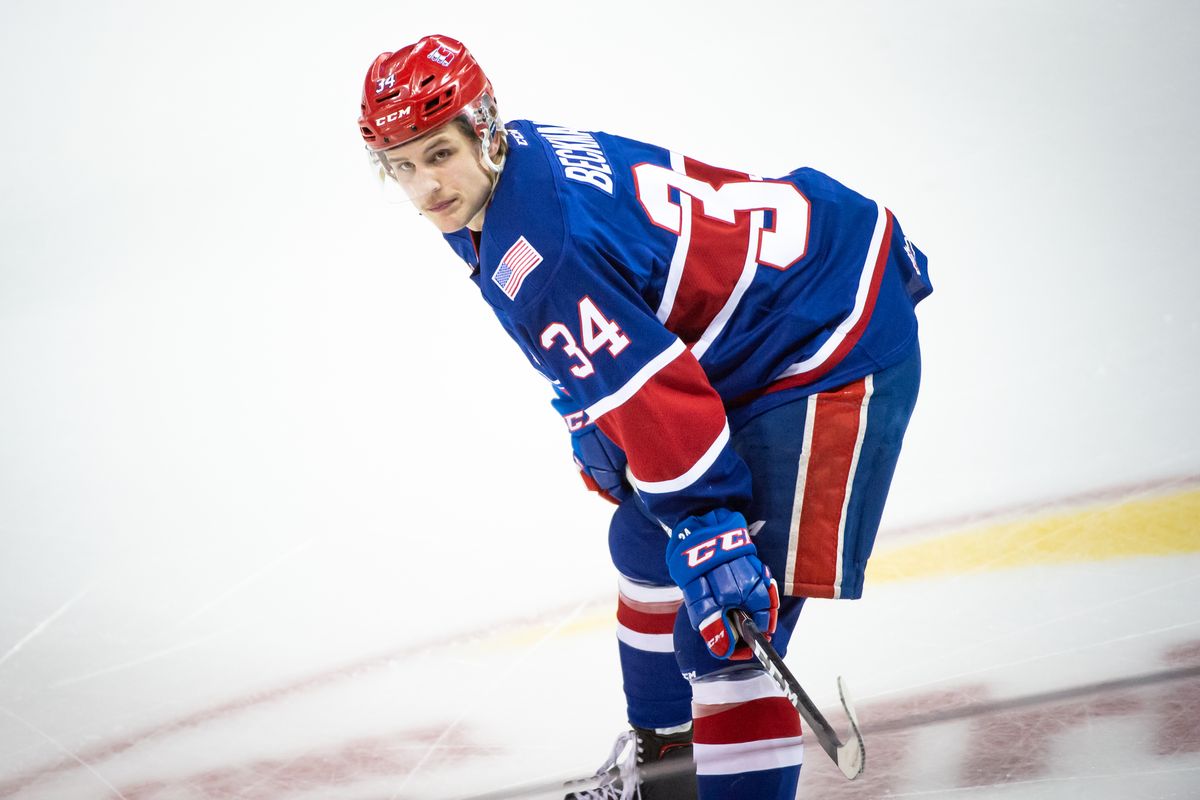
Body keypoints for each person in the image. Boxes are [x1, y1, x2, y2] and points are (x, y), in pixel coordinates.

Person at [357, 34, 932, 800]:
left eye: (437, 153)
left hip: (829, 341)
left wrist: (705, 520)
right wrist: (591, 411)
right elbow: (625, 305)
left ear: (485, 129)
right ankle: (666, 776)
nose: (425, 185)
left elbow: (650, 390)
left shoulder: (541, 243)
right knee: (642, 536)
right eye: (401, 166)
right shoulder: (516, 168)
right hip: (781, 311)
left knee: (726, 625)